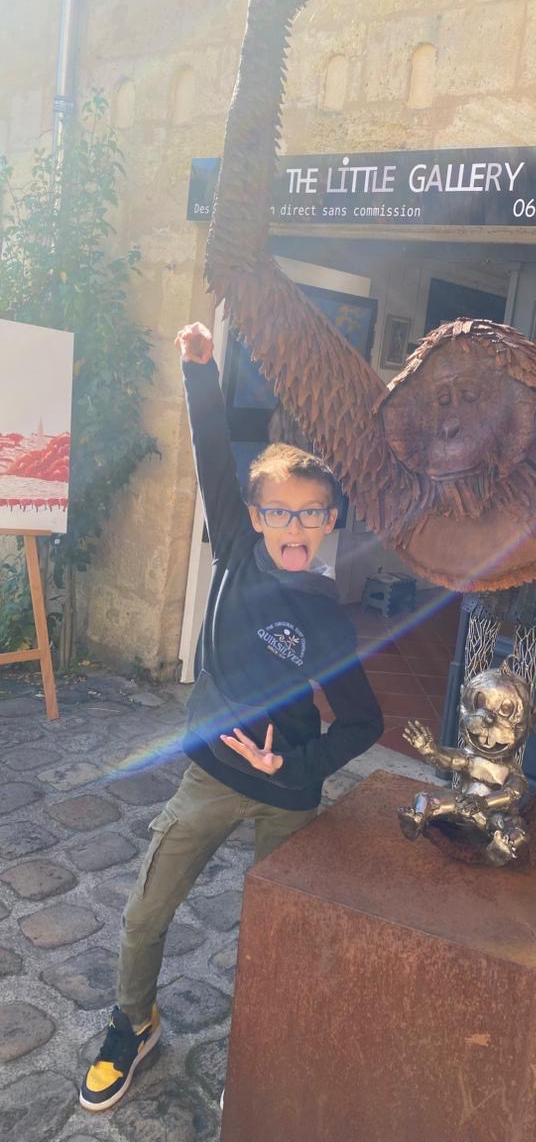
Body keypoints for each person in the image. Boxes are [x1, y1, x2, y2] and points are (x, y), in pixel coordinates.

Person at [80, 321, 384, 1112]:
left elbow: (365, 724)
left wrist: (297, 766)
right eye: (278, 512)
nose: (293, 526)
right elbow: (216, 455)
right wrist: (199, 372)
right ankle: (131, 1023)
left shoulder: (329, 619)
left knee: (281, 937)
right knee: (146, 912)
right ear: (253, 517)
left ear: (329, 522)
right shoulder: (237, 556)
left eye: (310, 514)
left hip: (290, 798)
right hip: (210, 779)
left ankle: (267, 1052)